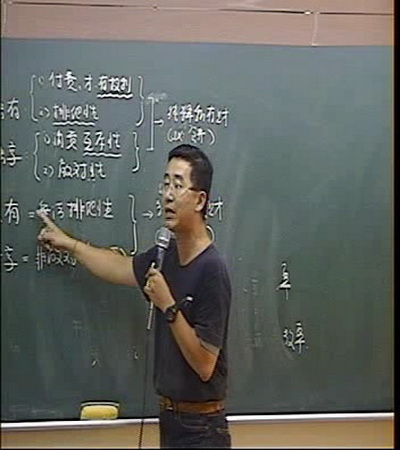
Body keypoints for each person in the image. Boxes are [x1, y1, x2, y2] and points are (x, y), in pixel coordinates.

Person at [37, 144, 232, 448]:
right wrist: (70, 244)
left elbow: (205, 364)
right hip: (171, 419)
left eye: (178, 185)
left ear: (200, 200)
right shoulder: (165, 256)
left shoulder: (212, 269)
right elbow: (119, 267)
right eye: (165, 184)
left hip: (202, 428)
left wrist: (168, 306)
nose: (168, 195)